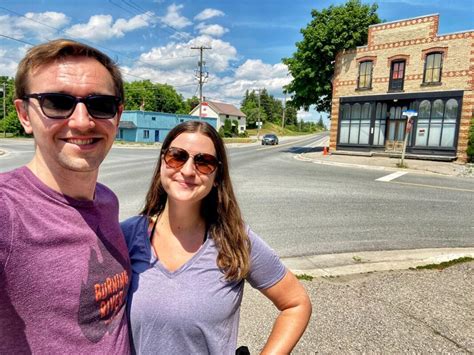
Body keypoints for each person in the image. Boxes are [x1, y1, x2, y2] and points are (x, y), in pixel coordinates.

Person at [121, 120, 312, 354]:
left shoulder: (233, 240)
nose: (188, 170)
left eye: (204, 162)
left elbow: (296, 304)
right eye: (177, 156)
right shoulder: (127, 236)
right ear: (162, 161)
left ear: (217, 176)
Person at [0, 39, 131, 353]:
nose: (82, 121)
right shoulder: (8, 211)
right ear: (24, 115)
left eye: (100, 105)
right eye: (57, 103)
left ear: (117, 115)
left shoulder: (107, 200)